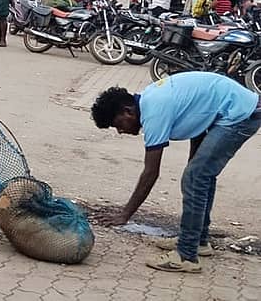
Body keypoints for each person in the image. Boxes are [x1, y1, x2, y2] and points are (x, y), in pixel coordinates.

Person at [90, 73, 261, 273]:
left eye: (118, 125)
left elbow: (151, 172)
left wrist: (124, 214)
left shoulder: (153, 112)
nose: (120, 131)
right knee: (199, 176)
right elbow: (199, 123)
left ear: (128, 111)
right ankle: (198, 241)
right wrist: (195, 164)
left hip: (240, 114)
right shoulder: (150, 99)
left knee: (196, 177)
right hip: (236, 108)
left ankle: (186, 255)